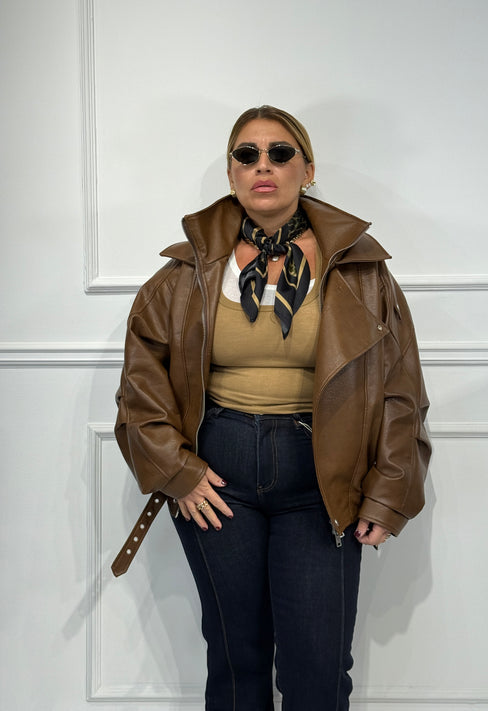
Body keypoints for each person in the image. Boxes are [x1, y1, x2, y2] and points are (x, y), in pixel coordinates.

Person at [112, 105, 431, 711]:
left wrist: (390, 489)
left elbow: (400, 388)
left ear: (306, 170)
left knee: (318, 667)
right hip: (217, 478)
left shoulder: (360, 271)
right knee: (238, 661)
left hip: (324, 480)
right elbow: (140, 384)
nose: (264, 166)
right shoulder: (184, 273)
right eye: (247, 155)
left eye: (280, 153)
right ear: (232, 173)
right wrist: (176, 471)